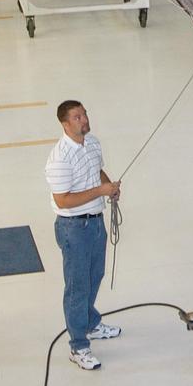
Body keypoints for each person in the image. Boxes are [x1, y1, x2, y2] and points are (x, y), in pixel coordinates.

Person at [45, 101, 123, 370]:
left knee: (94, 275)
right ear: (65, 124)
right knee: (78, 287)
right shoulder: (59, 159)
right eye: (77, 117)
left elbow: (97, 170)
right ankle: (78, 346)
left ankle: (90, 322)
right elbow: (63, 200)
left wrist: (108, 185)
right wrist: (100, 192)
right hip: (73, 229)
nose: (84, 119)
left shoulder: (92, 143)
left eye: (85, 113)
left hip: (96, 222)